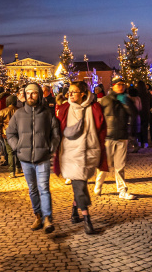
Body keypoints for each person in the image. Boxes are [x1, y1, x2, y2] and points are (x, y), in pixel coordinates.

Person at [53, 81, 108, 234]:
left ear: (83, 94)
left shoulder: (94, 108)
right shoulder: (64, 108)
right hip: (69, 153)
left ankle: (74, 212)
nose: (69, 94)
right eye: (69, 92)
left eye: (74, 92)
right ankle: (87, 220)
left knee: (80, 184)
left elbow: (101, 128)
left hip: (89, 151)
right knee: (80, 185)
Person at [6, 83, 61, 233]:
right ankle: (38, 215)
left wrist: (51, 147)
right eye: (28, 93)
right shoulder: (18, 114)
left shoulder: (47, 113)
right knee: (33, 189)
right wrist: (17, 146)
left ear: (39, 95)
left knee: (44, 188)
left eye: (34, 93)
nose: (30, 96)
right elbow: (10, 133)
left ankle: (47, 218)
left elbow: (56, 133)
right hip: (25, 159)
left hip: (42, 157)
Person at [95, 76, 138, 199]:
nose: (121, 87)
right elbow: (99, 117)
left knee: (120, 166)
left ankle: (122, 190)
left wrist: (126, 103)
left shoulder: (126, 99)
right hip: (108, 137)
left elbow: (134, 114)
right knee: (105, 164)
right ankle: (98, 184)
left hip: (122, 136)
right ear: (113, 86)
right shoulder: (106, 100)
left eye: (122, 84)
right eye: (118, 84)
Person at [0, 94, 21, 177]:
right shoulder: (20, 111)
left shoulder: (3, 111)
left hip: (7, 133)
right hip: (18, 133)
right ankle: (18, 167)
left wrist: (1, 132)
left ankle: (12, 171)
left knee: (10, 152)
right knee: (17, 150)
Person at [137, 81, 151, 149]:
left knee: (139, 128)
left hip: (138, 112)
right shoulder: (147, 93)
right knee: (145, 128)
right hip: (145, 112)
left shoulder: (137, 94)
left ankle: (139, 142)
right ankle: (145, 142)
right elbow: (151, 103)